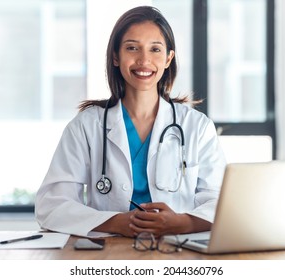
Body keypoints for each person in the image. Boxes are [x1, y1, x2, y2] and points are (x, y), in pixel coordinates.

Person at [35, 6, 226, 238]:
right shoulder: (87, 126)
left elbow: (221, 202)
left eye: (155, 49)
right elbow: (52, 205)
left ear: (168, 59)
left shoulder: (197, 127)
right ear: (116, 56)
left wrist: (181, 223)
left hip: (177, 250)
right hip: (107, 252)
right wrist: (115, 222)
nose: (144, 60)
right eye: (132, 48)